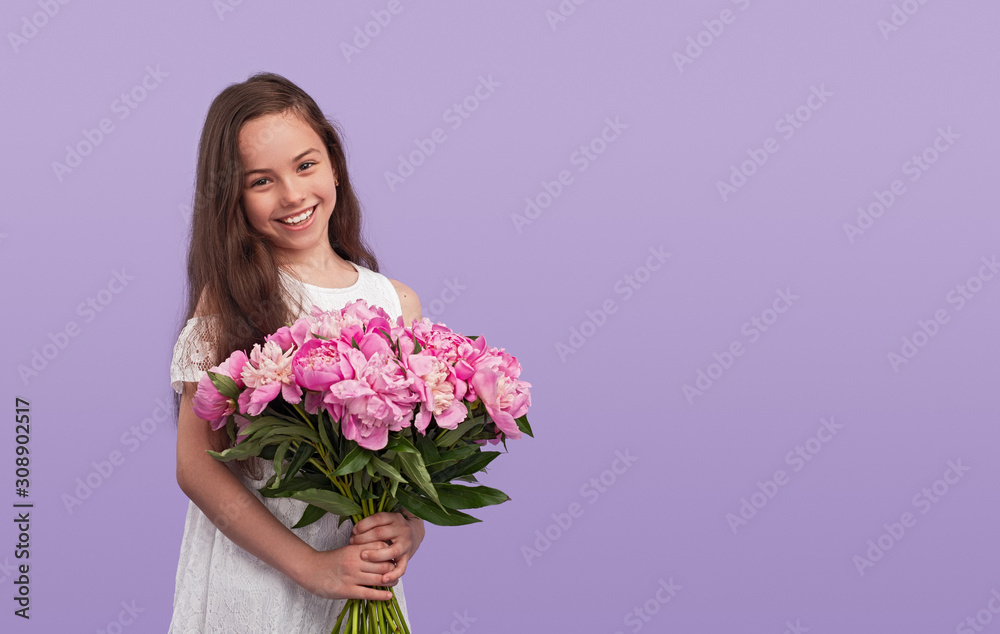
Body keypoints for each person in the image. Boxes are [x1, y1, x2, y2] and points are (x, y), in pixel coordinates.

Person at [167, 71, 424, 633]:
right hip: (258, 585)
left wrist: (410, 528)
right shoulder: (231, 299)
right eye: (261, 181)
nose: (292, 195)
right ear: (231, 196)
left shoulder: (393, 300)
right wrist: (310, 567)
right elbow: (197, 467)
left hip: (361, 582)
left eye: (305, 165)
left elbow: (407, 463)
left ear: (333, 161)